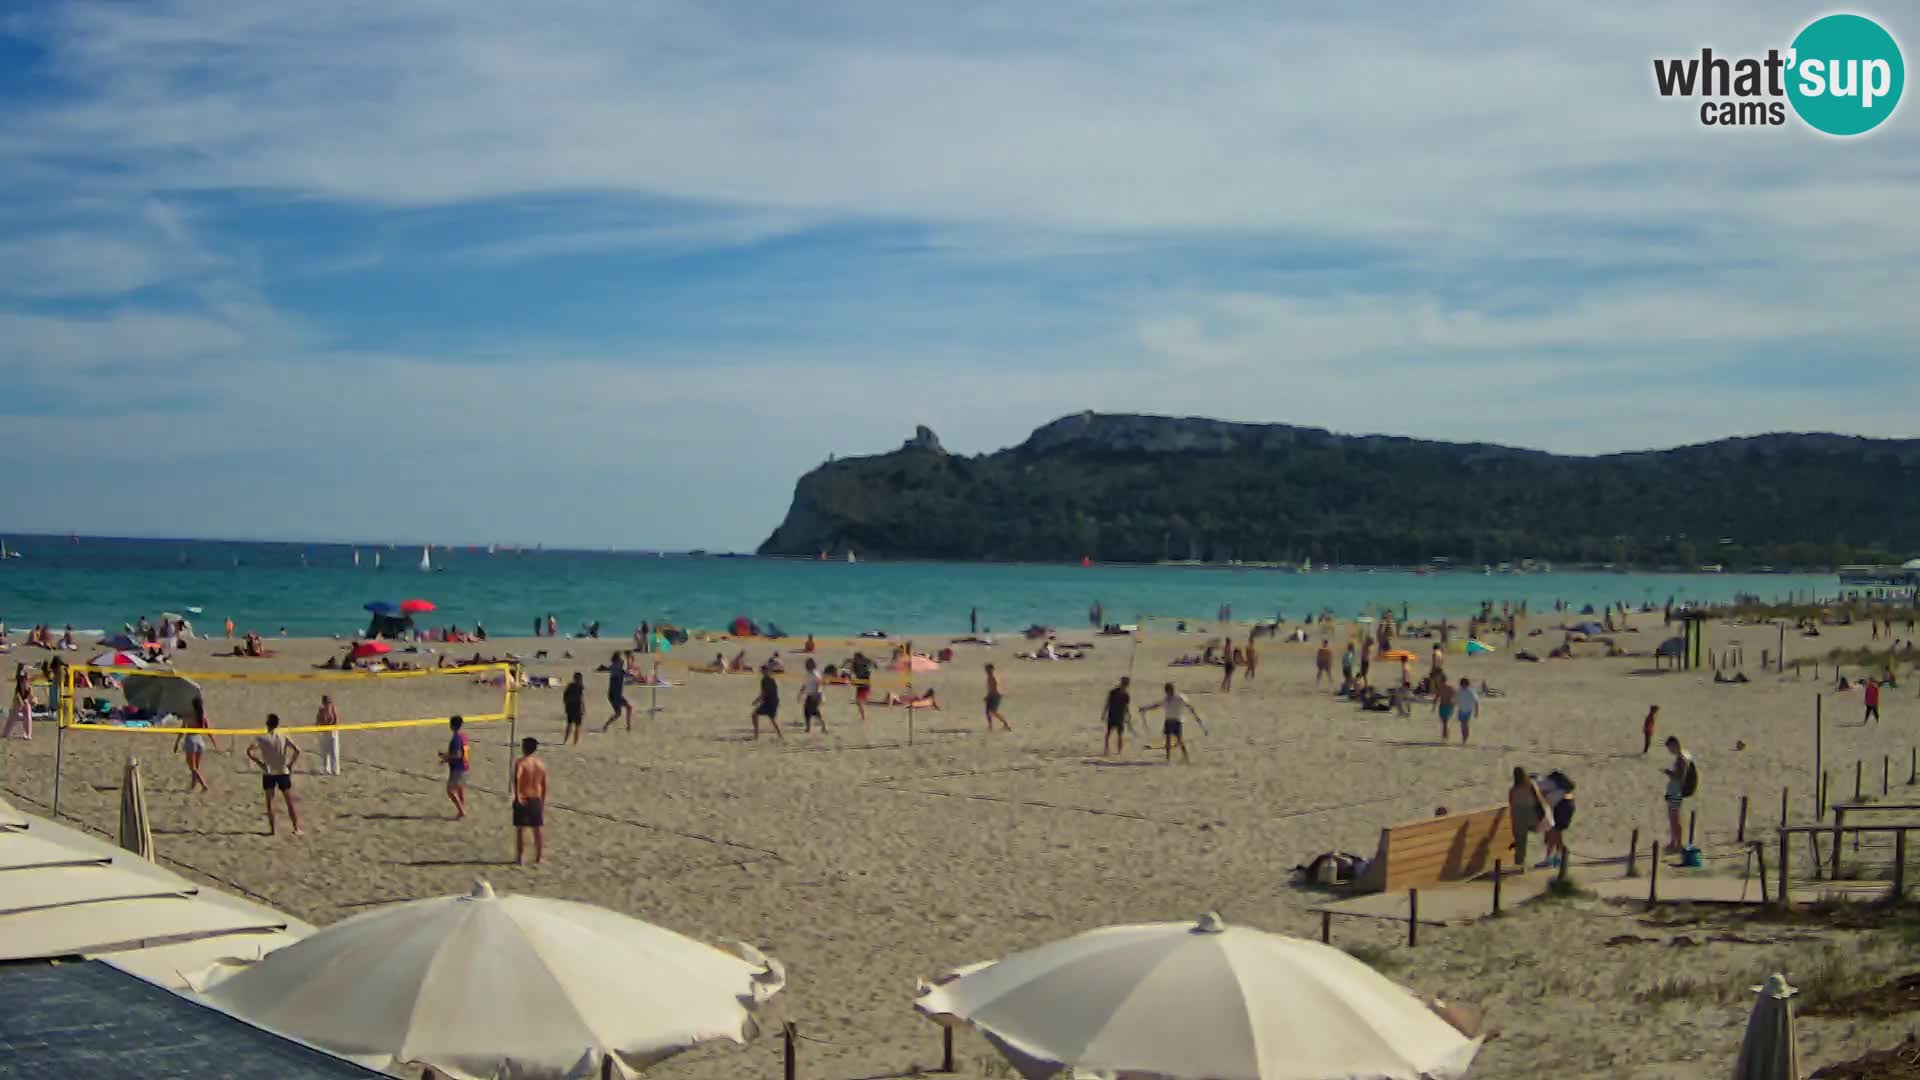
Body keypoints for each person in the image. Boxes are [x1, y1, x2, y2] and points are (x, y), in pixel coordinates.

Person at [246, 714, 302, 836]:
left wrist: (260, 763)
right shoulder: (283, 736)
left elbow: (249, 751)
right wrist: (290, 764)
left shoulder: (262, 738)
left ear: (267, 724)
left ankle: (273, 830)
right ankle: (296, 828)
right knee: (289, 801)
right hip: (282, 771)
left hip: (269, 772)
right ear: (277, 724)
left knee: (270, 802)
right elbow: (297, 751)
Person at [1138, 682, 1205, 764]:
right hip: (1170, 721)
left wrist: (1196, 716)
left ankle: (1184, 758)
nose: (1166, 692)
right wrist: (1145, 708)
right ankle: (1170, 759)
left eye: (1167, 690)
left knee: (1178, 740)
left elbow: (1189, 706)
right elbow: (1156, 705)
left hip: (1176, 721)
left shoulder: (1179, 697)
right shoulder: (1169, 698)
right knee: (1170, 740)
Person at [513, 737, 548, 865]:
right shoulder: (540, 764)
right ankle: (539, 857)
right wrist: (543, 800)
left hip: (524, 797)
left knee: (521, 829)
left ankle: (520, 858)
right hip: (536, 798)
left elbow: (517, 778)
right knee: (537, 829)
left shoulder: (521, 762)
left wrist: (517, 795)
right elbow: (544, 784)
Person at [174, 695, 217, 793]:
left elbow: (182, 730)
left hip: (191, 740)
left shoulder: (189, 715)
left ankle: (203, 785)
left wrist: (177, 743)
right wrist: (214, 742)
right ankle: (192, 786)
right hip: (199, 740)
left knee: (192, 767)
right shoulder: (202, 716)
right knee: (196, 768)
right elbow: (208, 731)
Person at [1507, 767, 1547, 869]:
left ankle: (1520, 864)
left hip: (1518, 815)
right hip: (1530, 814)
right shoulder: (1531, 785)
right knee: (1547, 829)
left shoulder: (1513, 789)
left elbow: (1511, 803)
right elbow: (1539, 798)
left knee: (1520, 841)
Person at [1663, 736, 1695, 854]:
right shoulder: (1684, 756)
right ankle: (1673, 842)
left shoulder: (1681, 759)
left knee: (1675, 819)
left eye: (1670, 748)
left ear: (1675, 744)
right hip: (1674, 791)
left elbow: (1680, 777)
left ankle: (1678, 844)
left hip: (1676, 792)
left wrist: (1669, 773)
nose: (1670, 751)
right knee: (1673, 819)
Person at [1539, 770, 1575, 869]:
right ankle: (1558, 858)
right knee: (1557, 834)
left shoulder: (1559, 792)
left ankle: (1550, 859)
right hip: (1566, 808)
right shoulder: (1566, 790)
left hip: (1561, 810)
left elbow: (1548, 801)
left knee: (1552, 833)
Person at [439, 715, 470, 819]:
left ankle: (461, 810)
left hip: (458, 768)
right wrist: (446, 755)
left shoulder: (456, 738)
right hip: (465, 767)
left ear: (451, 726)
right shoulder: (463, 736)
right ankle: (463, 808)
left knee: (450, 790)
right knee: (460, 788)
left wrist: (446, 759)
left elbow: (457, 754)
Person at [750, 664, 783, 740]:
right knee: (771, 719)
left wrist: (757, 700)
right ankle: (780, 736)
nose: (762, 672)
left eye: (764, 671)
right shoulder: (770, 679)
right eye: (762, 671)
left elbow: (764, 693)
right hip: (771, 702)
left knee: (756, 715)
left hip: (770, 702)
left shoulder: (766, 680)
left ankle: (756, 736)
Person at [602, 651, 632, 733]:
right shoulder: (617, 669)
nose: (622, 660)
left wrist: (628, 658)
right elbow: (626, 672)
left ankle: (606, 725)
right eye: (620, 658)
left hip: (614, 695)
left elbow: (626, 672)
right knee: (626, 709)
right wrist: (628, 658)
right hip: (615, 695)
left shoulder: (615, 667)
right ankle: (628, 727)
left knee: (619, 712)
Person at [1102, 676, 1132, 755]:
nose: (1124, 685)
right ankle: (1106, 749)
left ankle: (1119, 751)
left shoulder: (1126, 695)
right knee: (1109, 733)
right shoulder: (1113, 692)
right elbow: (1107, 703)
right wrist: (1104, 713)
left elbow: (1126, 706)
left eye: (1125, 684)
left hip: (1120, 716)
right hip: (1112, 715)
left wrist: (1128, 714)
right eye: (1123, 683)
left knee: (1120, 735)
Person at [3, 665, 32, 741]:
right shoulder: (18, 688)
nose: (24, 683)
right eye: (22, 681)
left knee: (28, 715)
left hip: (25, 701)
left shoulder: (28, 688)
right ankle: (6, 732)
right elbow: (18, 696)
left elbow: (30, 696)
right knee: (12, 716)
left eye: (25, 681)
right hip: (17, 700)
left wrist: (27, 701)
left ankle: (28, 733)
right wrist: (22, 703)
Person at [315, 694, 342, 776]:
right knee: (325, 751)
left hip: (332, 732)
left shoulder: (333, 708)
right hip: (325, 732)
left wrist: (333, 728)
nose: (328, 704)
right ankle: (326, 769)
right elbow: (318, 720)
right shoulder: (321, 710)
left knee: (334, 751)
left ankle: (335, 769)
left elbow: (336, 720)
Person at [800, 658, 826, 733]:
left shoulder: (815, 673)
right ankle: (809, 728)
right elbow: (805, 684)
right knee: (807, 711)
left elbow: (819, 683)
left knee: (814, 711)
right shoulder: (808, 673)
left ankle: (823, 726)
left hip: (815, 695)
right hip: (810, 695)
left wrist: (816, 693)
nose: (806, 666)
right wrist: (801, 692)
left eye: (807, 664)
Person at [984, 663, 1009, 732]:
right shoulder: (989, 676)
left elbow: (995, 688)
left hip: (995, 695)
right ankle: (990, 726)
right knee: (988, 712)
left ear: (991, 669)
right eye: (986, 670)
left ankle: (1006, 724)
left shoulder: (993, 677)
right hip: (992, 695)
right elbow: (990, 688)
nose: (986, 671)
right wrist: (988, 695)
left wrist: (990, 695)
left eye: (987, 669)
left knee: (993, 712)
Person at [850, 652, 874, 723]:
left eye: (855, 658)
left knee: (859, 701)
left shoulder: (861, 665)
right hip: (862, 685)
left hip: (864, 684)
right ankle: (864, 716)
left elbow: (862, 674)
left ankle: (864, 718)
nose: (854, 659)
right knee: (859, 702)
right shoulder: (859, 664)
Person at [1453, 677, 1478, 744]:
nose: (1463, 685)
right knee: (1462, 724)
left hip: (1468, 710)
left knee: (1465, 724)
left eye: (1465, 684)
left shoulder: (1471, 691)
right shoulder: (1459, 691)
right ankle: (1464, 737)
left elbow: (1476, 701)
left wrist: (1476, 711)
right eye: (1462, 684)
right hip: (1461, 710)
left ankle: (1465, 737)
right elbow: (1455, 700)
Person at [562, 672, 585, 745]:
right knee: (573, 725)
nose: (580, 680)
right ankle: (570, 741)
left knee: (574, 726)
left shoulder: (574, 686)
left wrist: (583, 707)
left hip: (574, 708)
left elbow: (581, 698)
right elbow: (581, 698)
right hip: (573, 708)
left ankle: (572, 742)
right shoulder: (576, 687)